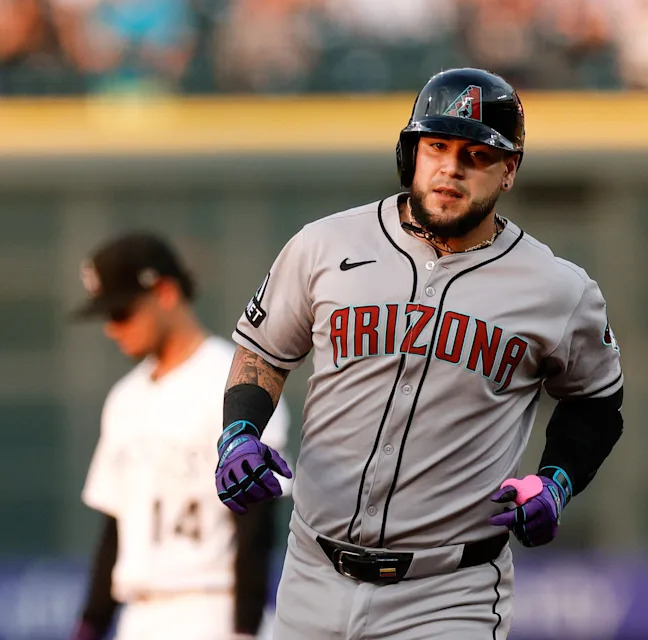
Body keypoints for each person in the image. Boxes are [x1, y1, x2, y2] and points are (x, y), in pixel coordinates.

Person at [214, 67, 624, 639]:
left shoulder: (557, 288)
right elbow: (264, 352)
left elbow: (597, 403)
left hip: (449, 594)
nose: (451, 167)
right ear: (412, 152)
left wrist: (556, 481)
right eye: (437, 146)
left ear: (509, 170)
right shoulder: (325, 245)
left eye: (476, 154)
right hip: (312, 576)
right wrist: (238, 433)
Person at [69, 232, 290, 640]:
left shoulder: (234, 385)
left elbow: (257, 522)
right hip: (138, 614)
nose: (111, 328)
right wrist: (89, 627)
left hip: (212, 609)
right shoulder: (124, 398)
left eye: (120, 312)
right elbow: (116, 529)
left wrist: (244, 627)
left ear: (166, 292)